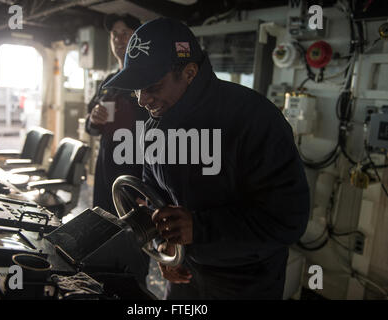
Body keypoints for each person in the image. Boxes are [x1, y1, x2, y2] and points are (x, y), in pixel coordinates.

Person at [103, 17, 310, 299]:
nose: (142, 99)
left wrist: (200, 229)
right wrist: (165, 247)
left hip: (244, 281)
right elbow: (156, 196)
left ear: (189, 72)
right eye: (136, 88)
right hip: (184, 271)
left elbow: (288, 219)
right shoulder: (155, 126)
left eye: (152, 86)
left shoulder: (254, 119)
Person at [84, 14, 149, 286]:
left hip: (136, 176)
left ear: (139, 38)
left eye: (126, 33)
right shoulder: (109, 80)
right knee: (102, 233)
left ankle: (131, 291)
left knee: (134, 243)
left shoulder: (149, 77)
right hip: (105, 172)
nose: (119, 40)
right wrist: (94, 118)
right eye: (115, 35)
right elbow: (91, 126)